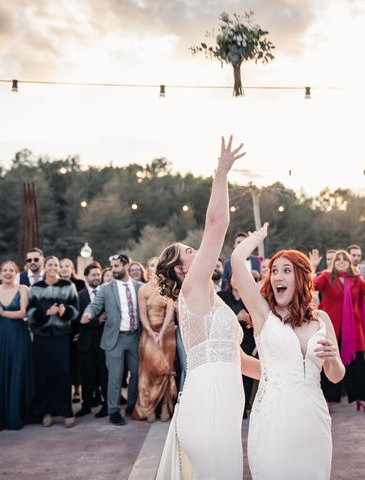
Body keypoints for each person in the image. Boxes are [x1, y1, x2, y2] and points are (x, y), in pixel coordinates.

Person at [155, 136, 259, 480]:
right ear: (181, 270)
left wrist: (290, 372)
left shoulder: (209, 298)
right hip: (209, 401)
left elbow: (238, 359)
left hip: (223, 400)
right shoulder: (193, 288)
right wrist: (221, 173)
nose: (195, 252)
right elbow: (217, 225)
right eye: (187, 251)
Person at [231, 224, 345, 479]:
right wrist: (258, 237)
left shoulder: (322, 319)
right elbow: (237, 260)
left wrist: (334, 359)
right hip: (274, 415)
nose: (277, 276)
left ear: (301, 278)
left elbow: (335, 376)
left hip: (313, 416)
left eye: (286, 270)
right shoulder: (263, 315)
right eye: (274, 271)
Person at [313, 250, 365, 412]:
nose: (341, 261)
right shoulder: (326, 277)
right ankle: (328, 399)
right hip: (333, 328)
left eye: (345, 259)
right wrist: (312, 266)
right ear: (333, 262)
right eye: (338, 259)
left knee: (358, 365)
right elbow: (311, 285)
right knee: (329, 361)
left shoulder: (356, 279)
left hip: (353, 330)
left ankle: (363, 399)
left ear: (349, 262)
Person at [81, 254, 142, 426]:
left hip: (135, 337)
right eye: (112, 266)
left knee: (136, 373)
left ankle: (131, 405)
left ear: (127, 265)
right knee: (114, 377)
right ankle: (113, 411)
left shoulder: (140, 287)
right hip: (115, 339)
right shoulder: (105, 289)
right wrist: (88, 313)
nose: (113, 270)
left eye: (117, 266)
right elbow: (95, 306)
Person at [0, 261, 34, 431]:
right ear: (1, 273)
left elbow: (24, 312)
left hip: (17, 336)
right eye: (5, 270)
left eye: (11, 270)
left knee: (16, 371)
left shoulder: (23, 289)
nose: (8, 273)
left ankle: (16, 414)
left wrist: (4, 313)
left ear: (16, 273)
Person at [27, 256, 79, 428]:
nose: (53, 267)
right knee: (43, 374)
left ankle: (66, 411)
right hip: (41, 338)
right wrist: (46, 313)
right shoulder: (35, 288)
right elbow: (30, 313)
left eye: (55, 265)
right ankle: (47, 411)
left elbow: (76, 311)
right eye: (50, 264)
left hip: (61, 336)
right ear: (44, 267)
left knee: (63, 373)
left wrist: (64, 312)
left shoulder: (68, 286)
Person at [133, 278, 176, 422]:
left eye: (157, 265)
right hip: (149, 334)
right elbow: (142, 315)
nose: (154, 268)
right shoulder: (143, 289)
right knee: (149, 371)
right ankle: (149, 408)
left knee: (166, 370)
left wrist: (162, 333)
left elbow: (170, 312)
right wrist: (151, 332)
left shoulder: (169, 287)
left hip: (167, 333)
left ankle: (164, 407)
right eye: (151, 265)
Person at [218, 271, 257, 417]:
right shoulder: (222, 297)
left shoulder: (250, 299)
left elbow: (259, 320)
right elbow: (219, 319)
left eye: (239, 277)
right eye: (233, 277)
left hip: (248, 341)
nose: (236, 280)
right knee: (231, 374)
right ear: (229, 280)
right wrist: (236, 316)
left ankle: (243, 405)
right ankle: (231, 405)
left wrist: (256, 345)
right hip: (229, 341)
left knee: (247, 377)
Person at [75, 262, 109, 419]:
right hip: (86, 342)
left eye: (98, 274)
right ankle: (86, 405)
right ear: (86, 277)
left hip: (104, 341)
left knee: (104, 375)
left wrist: (96, 320)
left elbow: (108, 315)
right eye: (93, 275)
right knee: (86, 375)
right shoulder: (80, 295)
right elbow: (78, 319)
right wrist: (97, 320)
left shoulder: (106, 292)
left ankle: (106, 405)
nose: (96, 277)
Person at [59, 257, 84, 404]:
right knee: (63, 360)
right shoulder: (55, 284)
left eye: (67, 266)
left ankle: (76, 389)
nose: (64, 269)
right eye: (61, 266)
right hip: (60, 326)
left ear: (72, 268)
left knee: (75, 361)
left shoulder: (79, 284)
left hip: (75, 325)